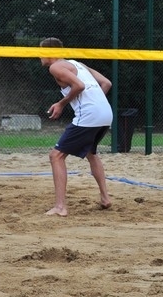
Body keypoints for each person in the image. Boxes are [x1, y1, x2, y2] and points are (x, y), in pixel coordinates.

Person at [39, 37, 114, 217]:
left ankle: (60, 207)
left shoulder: (55, 67)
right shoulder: (78, 64)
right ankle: (105, 198)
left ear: (49, 52)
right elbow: (107, 83)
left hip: (90, 115)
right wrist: (95, 101)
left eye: (40, 52)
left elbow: (79, 86)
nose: (38, 56)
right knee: (91, 154)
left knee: (56, 156)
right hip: (105, 113)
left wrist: (61, 104)